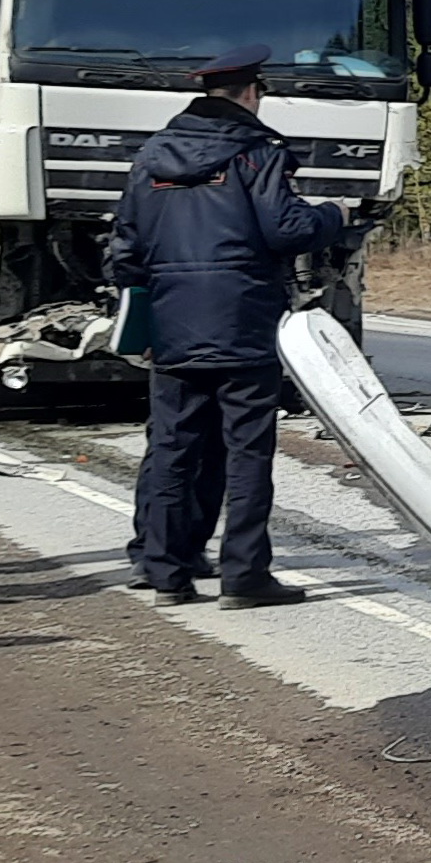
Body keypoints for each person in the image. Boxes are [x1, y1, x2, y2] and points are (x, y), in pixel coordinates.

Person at [105, 45, 347, 607]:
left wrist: (147, 301)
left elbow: (124, 249)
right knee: (247, 451)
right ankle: (244, 575)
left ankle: (165, 572)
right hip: (243, 322)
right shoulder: (256, 153)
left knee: (171, 447)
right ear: (251, 92)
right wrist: (333, 217)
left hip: (173, 325)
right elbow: (286, 229)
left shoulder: (152, 157)